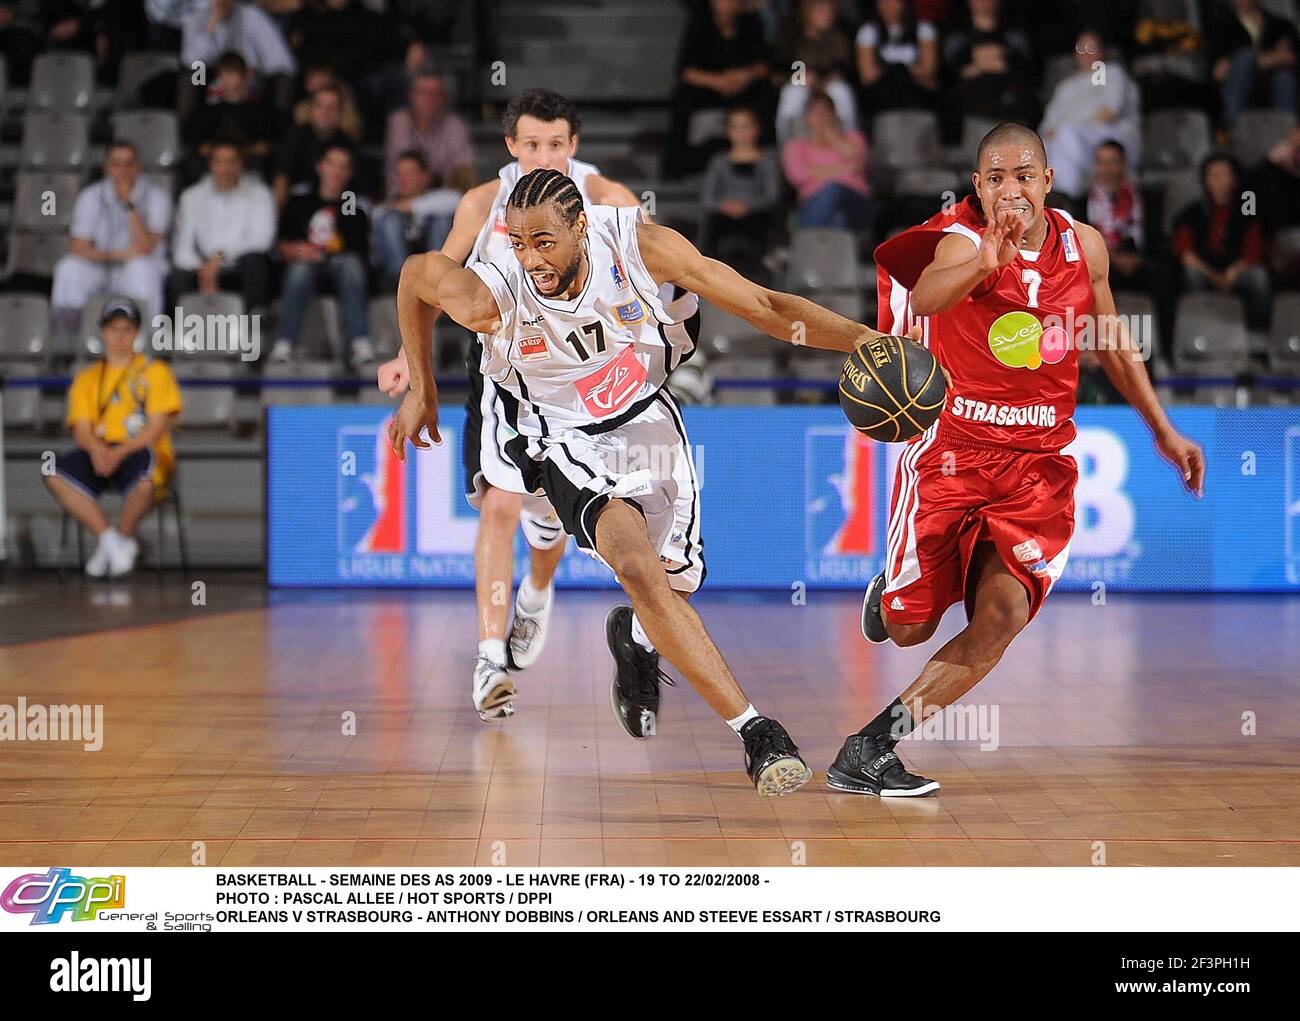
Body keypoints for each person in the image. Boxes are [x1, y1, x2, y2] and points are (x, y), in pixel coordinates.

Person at [388, 168, 914, 795]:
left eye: (545, 242)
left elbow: (765, 307)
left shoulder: (640, 245)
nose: (531, 258)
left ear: (581, 226)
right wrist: (423, 386)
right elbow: (415, 275)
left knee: (672, 589)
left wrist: (865, 339)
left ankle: (635, 641)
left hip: (651, 422)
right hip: (561, 438)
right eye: (518, 242)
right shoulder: (492, 295)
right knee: (637, 568)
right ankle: (757, 732)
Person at [851, 123, 1204, 796]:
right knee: (907, 628)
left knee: (1005, 613)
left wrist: (1162, 428)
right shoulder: (961, 241)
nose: (1009, 189)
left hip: (1037, 465)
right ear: (978, 188)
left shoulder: (1085, 246)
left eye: (1022, 175)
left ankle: (872, 745)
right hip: (953, 455)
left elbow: (1107, 339)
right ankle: (891, 592)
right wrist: (986, 263)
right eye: (994, 178)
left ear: (1046, 181)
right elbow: (925, 296)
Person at [375, 89, 648, 722]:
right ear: (511, 147)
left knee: (548, 522)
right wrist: (406, 360)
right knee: (499, 503)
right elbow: (434, 276)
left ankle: (539, 588)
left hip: (579, 377)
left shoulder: (607, 201)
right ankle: (490, 659)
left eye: (556, 144)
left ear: (574, 147)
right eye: (531, 145)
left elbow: (655, 274)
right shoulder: (483, 202)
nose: (544, 155)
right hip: (499, 370)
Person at [43, 297, 183, 578]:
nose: (120, 336)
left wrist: (119, 453)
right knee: (52, 472)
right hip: (100, 449)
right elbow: (81, 428)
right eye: (114, 328)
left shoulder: (155, 372)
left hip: (137, 448)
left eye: (127, 329)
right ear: (103, 332)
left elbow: (155, 429)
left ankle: (118, 540)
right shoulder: (86, 377)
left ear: (136, 333)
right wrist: (97, 451)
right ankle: (110, 542)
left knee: (146, 478)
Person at [51, 140, 173, 338]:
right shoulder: (90, 196)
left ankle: (145, 345)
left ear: (138, 166)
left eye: (128, 164)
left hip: (138, 268)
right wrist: (121, 255)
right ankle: (67, 344)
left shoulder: (156, 196)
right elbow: (78, 248)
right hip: (100, 267)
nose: (122, 171)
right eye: (116, 164)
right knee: (69, 269)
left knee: (140, 269)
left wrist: (129, 205)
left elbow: (144, 248)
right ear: (107, 167)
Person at [271, 143, 374, 366]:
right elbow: (281, 243)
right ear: (320, 167)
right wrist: (295, 250)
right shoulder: (300, 200)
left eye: (343, 167)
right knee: (298, 271)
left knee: (351, 266)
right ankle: (284, 343)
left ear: (349, 173)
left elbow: (357, 250)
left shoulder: (351, 204)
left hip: (339, 264)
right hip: (304, 265)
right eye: (332, 165)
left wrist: (321, 252)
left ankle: (359, 342)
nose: (336, 172)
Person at [666, 0, 773, 178]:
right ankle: (677, 162)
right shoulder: (700, 23)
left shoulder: (750, 22)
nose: (727, 4)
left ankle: (764, 148)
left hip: (744, 89)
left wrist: (744, 76)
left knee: (767, 91)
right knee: (683, 94)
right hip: (709, 90)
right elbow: (684, 70)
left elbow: (765, 64)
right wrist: (718, 81)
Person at [169, 138, 277, 314]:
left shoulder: (260, 194)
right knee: (179, 277)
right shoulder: (192, 197)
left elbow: (261, 241)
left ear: (240, 164)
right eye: (219, 162)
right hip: (203, 265)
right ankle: (186, 331)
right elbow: (182, 250)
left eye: (231, 162)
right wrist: (203, 268)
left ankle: (253, 323)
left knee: (255, 262)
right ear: (211, 165)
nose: (225, 168)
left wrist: (219, 256)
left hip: (240, 265)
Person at [1172, 153, 1271, 330]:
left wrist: (1231, 273)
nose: (1219, 181)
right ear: (1206, 181)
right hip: (1206, 269)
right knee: (1192, 274)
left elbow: (1254, 251)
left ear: (1234, 179)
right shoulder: (1192, 212)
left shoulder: (1247, 210)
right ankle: (1200, 326)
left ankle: (1258, 331)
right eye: (1214, 175)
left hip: (1236, 269)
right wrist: (1214, 276)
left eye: (1225, 175)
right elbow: (1185, 253)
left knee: (1259, 277)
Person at [1040, 30, 1142, 201]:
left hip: (1111, 137)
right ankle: (1054, 203)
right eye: (1081, 47)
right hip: (1067, 142)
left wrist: (1068, 131)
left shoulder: (1108, 72)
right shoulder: (1066, 86)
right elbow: (1048, 125)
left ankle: (1067, 200)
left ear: (1102, 51)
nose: (1085, 52)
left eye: (1091, 47)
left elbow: (1110, 112)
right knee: (1040, 148)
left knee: (1066, 135)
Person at [699, 105, 782, 277]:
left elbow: (772, 196)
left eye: (746, 126)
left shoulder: (767, 161)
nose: (741, 133)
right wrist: (724, 206)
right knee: (713, 229)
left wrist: (747, 207)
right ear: (728, 131)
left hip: (757, 216)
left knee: (761, 230)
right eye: (735, 127)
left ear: (756, 129)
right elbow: (708, 198)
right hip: (723, 216)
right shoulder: (719, 162)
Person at [781, 89, 873, 230]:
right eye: (815, 112)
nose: (820, 117)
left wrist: (834, 139)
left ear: (834, 114)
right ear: (806, 117)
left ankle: (804, 240)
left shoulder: (854, 138)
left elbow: (858, 162)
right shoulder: (795, 146)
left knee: (834, 189)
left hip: (856, 202)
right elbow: (798, 176)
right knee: (838, 217)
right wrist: (845, 169)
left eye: (825, 112)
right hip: (812, 203)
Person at [372, 150, 460, 290]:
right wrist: (397, 210)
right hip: (395, 274)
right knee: (390, 220)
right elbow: (377, 217)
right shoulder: (387, 206)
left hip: (433, 268)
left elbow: (457, 200)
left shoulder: (435, 199)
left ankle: (436, 277)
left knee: (441, 220)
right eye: (399, 173)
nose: (403, 178)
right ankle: (406, 286)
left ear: (424, 176)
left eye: (409, 173)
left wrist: (410, 206)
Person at [773, 0, 858, 140]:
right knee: (793, 92)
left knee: (841, 91)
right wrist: (800, 77)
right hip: (801, 84)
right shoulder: (791, 37)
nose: (827, 16)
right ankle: (787, 144)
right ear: (808, 12)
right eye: (822, 11)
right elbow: (778, 71)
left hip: (828, 86)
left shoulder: (839, 37)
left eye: (830, 11)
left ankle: (850, 140)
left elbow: (844, 68)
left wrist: (825, 80)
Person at [1209, 0, 1298, 131]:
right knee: (1245, 57)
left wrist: (1242, 63)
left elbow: (1291, 58)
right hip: (1238, 90)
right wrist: (1271, 58)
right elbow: (1218, 73)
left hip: (1272, 85)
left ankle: (1285, 133)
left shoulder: (1281, 25)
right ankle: (1235, 126)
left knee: (1284, 78)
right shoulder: (1223, 27)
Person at [383, 71, 474, 196]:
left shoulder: (455, 125)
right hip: (402, 197)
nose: (428, 99)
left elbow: (462, 174)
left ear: (443, 97)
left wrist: (422, 175)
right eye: (422, 93)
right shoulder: (399, 121)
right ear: (411, 95)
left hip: (445, 199)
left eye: (434, 94)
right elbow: (404, 169)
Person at [854, 0, 940, 121]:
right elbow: (866, 76)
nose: (888, 6)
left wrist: (901, 70)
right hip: (883, 98)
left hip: (916, 95)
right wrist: (894, 70)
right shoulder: (868, 31)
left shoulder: (923, 29)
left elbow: (929, 71)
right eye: (883, 2)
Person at [272, 84, 353, 207]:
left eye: (332, 107)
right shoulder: (295, 136)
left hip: (337, 203)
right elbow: (282, 177)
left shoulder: (347, 143)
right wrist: (278, 215)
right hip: (300, 202)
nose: (325, 112)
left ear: (341, 112)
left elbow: (352, 187)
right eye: (320, 106)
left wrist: (347, 219)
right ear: (311, 109)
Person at [180, 0, 296, 81]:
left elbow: (282, 61)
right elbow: (192, 60)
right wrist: (212, 24)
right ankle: (192, 116)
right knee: (194, 74)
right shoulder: (197, 17)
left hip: (246, 81)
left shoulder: (252, 15)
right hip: (212, 81)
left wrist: (253, 73)